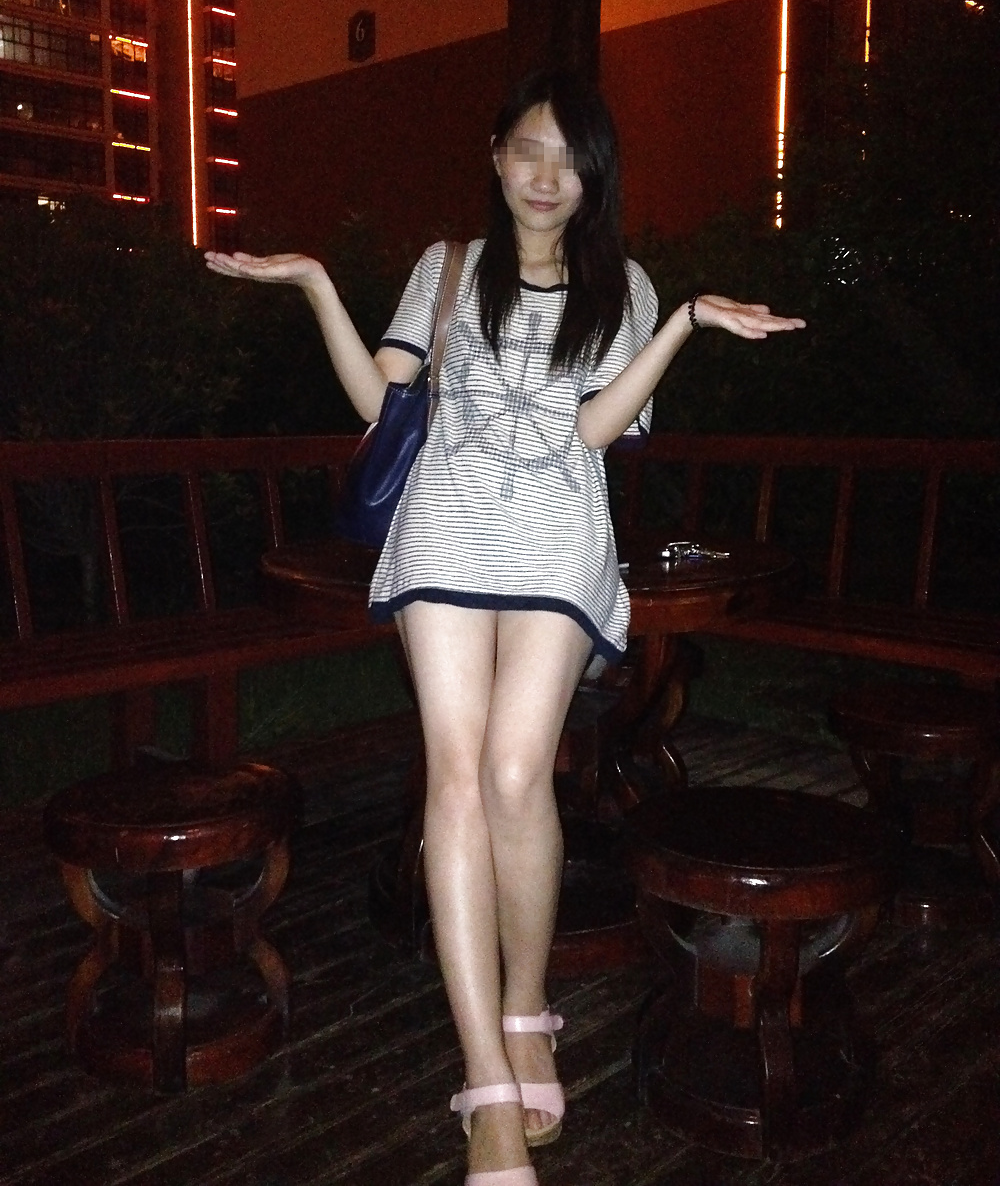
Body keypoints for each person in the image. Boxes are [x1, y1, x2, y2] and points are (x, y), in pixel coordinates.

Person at [206, 70, 805, 1186]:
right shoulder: (447, 269)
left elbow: (594, 430)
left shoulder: (622, 284)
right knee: (456, 777)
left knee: (520, 774)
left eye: (570, 159)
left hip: (554, 541)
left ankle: (527, 1005)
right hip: (442, 535)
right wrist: (318, 285)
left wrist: (680, 323)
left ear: (594, 178)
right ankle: (486, 1074)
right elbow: (380, 405)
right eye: (528, 149)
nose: (545, 175)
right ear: (495, 155)